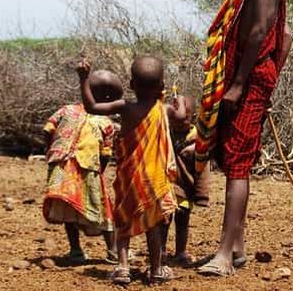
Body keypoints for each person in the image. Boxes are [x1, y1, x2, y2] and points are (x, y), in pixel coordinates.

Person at [194, 0, 292, 276]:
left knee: (237, 163)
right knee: (229, 153)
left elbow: (259, 33)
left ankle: (222, 255)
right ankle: (236, 247)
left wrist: (239, 84)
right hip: (249, 77)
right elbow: (285, 35)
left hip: (247, 80)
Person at [78, 55, 187, 285]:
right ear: (162, 86)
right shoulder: (164, 109)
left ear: (131, 85)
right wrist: (181, 101)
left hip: (130, 178)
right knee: (154, 224)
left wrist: (84, 79)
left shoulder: (125, 107)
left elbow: (92, 107)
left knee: (123, 220)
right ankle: (157, 268)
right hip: (154, 180)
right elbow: (182, 116)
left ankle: (123, 267)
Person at [41, 70, 122, 265]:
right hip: (88, 170)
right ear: (108, 99)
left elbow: (48, 129)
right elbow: (105, 154)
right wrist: (99, 171)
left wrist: (51, 151)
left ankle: (76, 250)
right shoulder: (106, 122)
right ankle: (112, 251)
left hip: (61, 166)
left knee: (67, 208)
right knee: (103, 210)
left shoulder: (66, 110)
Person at [161, 96, 210, 266]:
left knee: (182, 222)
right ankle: (160, 250)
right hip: (166, 188)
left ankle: (180, 251)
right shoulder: (165, 133)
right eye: (174, 120)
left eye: (184, 119)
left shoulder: (197, 139)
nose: (179, 123)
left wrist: (202, 195)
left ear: (193, 117)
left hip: (185, 188)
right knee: (164, 221)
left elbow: (203, 168)